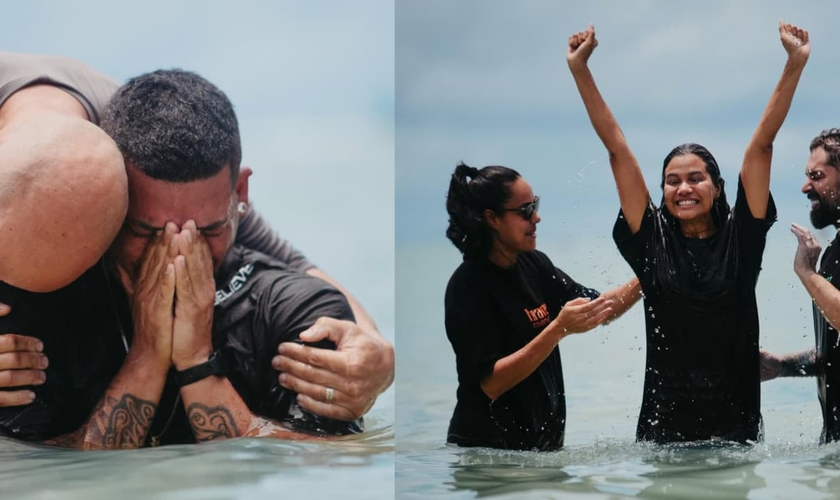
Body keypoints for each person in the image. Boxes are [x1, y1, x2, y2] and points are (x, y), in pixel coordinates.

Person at [0, 51, 393, 421]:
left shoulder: (153, 150)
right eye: (146, 232)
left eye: (203, 231)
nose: (177, 255)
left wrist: (377, 351)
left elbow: (295, 264)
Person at [566, 22, 809, 443]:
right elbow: (617, 149)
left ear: (717, 187)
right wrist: (580, 70)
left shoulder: (743, 238)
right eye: (672, 181)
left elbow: (762, 147)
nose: (683, 189)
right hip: (663, 436)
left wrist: (794, 63)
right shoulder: (651, 241)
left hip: (736, 435)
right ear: (662, 191)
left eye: (696, 178)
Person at [444, 163, 640, 451]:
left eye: (535, 205)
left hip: (540, 452)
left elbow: (600, 308)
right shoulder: (467, 286)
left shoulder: (535, 265)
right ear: (492, 218)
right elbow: (490, 384)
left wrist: (648, 276)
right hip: (486, 453)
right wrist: (558, 329)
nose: (537, 217)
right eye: (525, 211)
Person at [760, 128, 840, 444]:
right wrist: (782, 365)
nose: (805, 187)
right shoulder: (833, 253)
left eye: (816, 176)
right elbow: (833, 352)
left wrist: (807, 274)